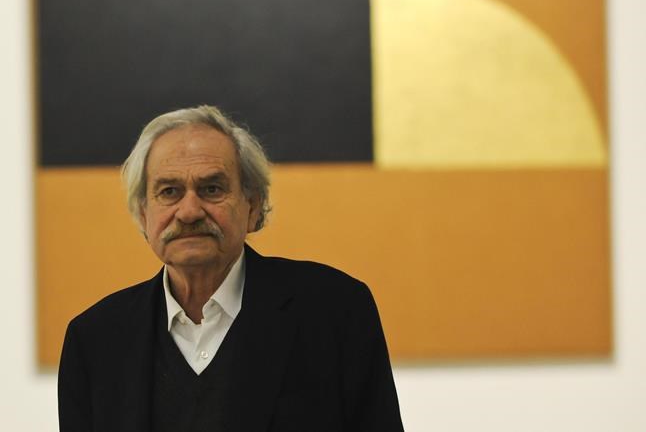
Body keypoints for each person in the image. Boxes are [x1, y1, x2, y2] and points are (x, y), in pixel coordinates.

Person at [58, 105, 404, 431]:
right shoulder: (94, 341)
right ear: (143, 214)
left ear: (253, 206)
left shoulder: (335, 311)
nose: (189, 211)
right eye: (169, 191)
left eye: (211, 189)